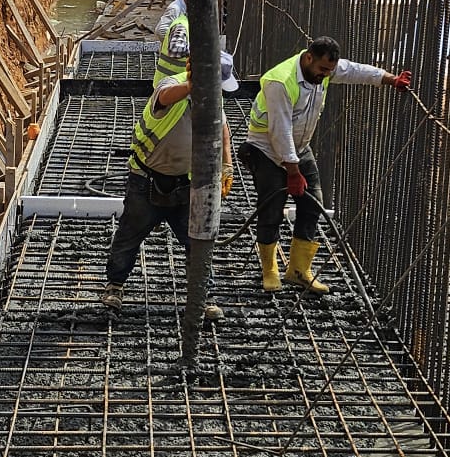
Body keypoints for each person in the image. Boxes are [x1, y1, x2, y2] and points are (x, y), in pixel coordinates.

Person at [242, 36, 411, 294]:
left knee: (312, 203)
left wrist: (390, 79)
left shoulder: (324, 70)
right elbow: (280, 132)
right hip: (265, 149)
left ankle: (299, 270)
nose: (326, 75)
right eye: (322, 70)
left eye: (330, 71)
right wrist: (293, 173)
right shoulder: (281, 81)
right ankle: (269, 270)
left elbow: (355, 70)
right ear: (309, 58)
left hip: (298, 148)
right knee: (271, 208)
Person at [103, 51, 239, 316]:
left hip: (186, 185)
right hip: (147, 180)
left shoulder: (213, 99)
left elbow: (223, 130)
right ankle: (114, 286)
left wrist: (227, 164)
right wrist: (191, 85)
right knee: (129, 236)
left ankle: (202, 295)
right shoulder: (171, 87)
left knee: (197, 241)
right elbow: (163, 98)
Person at [152, 0, 189, 90]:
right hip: (169, 81)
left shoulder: (185, 13)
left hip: (177, 80)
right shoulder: (176, 9)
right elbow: (160, 31)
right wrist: (174, 41)